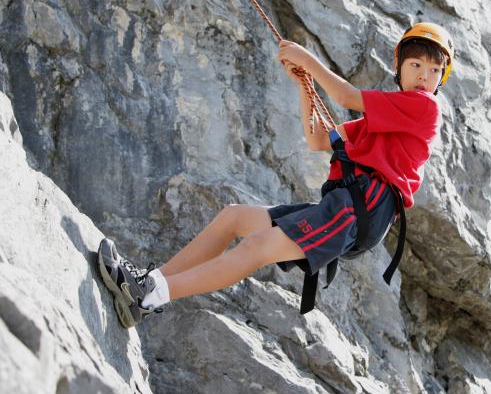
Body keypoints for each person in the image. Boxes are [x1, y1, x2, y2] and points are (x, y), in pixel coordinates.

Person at [97, 22, 454, 328]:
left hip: (364, 206)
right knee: (234, 217)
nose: (425, 76)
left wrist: (307, 60)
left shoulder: (425, 107)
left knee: (257, 246)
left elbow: (346, 95)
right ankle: (148, 287)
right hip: (347, 201)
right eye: (416, 64)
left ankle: (149, 294)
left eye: (435, 70)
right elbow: (317, 140)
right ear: (399, 67)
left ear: (440, 79)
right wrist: (304, 86)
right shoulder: (381, 120)